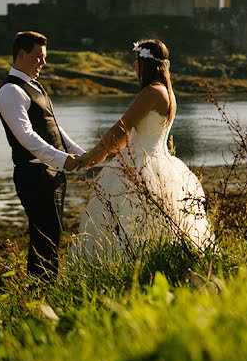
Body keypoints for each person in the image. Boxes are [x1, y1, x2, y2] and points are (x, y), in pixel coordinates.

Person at [70, 39, 212, 263]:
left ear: (144, 63)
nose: (133, 66)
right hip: (161, 162)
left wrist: (93, 156)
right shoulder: (168, 92)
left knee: (125, 220)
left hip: (142, 164)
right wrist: (103, 154)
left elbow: (121, 127)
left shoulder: (152, 92)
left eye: (135, 61)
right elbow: (126, 137)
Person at [0, 31, 85, 280]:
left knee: (52, 233)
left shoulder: (35, 86)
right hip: (33, 174)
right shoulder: (11, 91)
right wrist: (63, 159)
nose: (43, 63)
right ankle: (40, 292)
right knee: (43, 236)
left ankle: (46, 289)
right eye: (38, 57)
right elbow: (26, 137)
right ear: (21, 54)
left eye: (44, 57)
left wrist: (80, 154)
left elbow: (54, 128)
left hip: (52, 173)